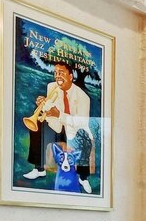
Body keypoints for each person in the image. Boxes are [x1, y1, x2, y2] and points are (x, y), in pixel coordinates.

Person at [21, 62, 92, 192]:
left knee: (85, 138)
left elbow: (81, 122)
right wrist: (43, 104)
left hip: (74, 129)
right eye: (56, 73)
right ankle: (39, 169)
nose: (57, 76)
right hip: (57, 126)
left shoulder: (83, 97)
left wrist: (59, 114)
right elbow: (51, 110)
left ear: (71, 76)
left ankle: (83, 177)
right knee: (37, 125)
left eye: (61, 73)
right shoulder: (52, 86)